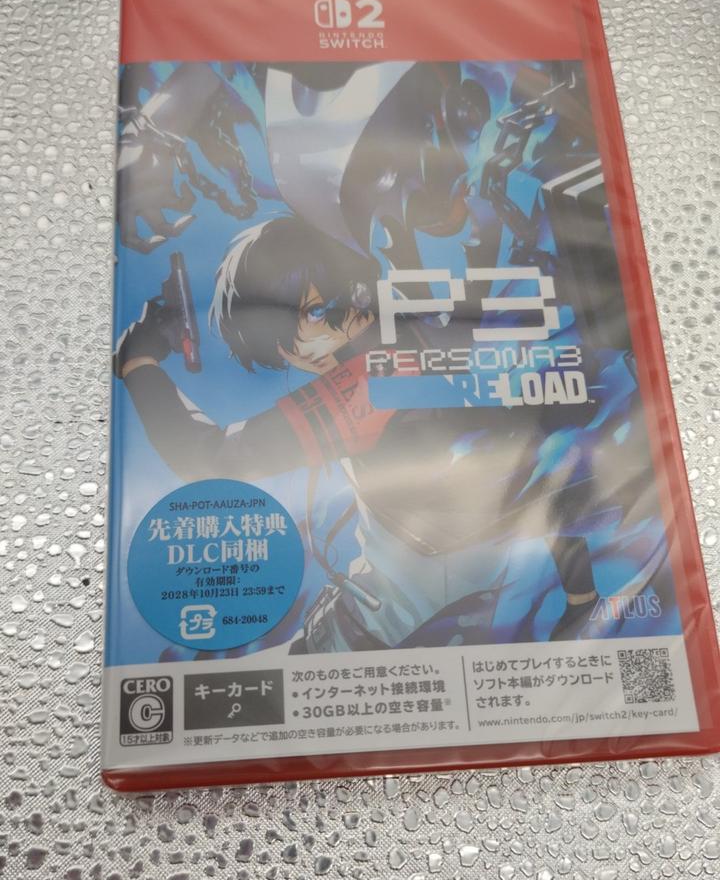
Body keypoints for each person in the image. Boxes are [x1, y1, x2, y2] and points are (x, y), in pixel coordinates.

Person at [116, 215, 606, 650]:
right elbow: (548, 471)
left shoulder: (362, 391)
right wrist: (582, 599)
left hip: (380, 636)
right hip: (453, 615)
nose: (338, 322)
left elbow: (212, 462)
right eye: (309, 315)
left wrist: (140, 363)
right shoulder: (437, 334)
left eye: (330, 304)